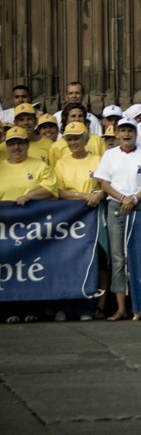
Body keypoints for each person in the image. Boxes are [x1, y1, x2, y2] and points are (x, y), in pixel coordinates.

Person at [93, 117, 141, 321]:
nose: (126, 134)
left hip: (140, 206)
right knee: (117, 259)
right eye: (122, 130)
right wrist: (122, 198)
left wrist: (133, 198)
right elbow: (104, 184)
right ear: (117, 133)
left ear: (135, 133)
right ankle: (122, 308)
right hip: (116, 206)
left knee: (140, 257)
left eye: (130, 130)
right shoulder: (110, 155)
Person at [0, 126, 59, 324]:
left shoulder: (39, 166)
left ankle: (33, 309)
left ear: (27, 145)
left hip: (33, 228)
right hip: (5, 229)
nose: (16, 147)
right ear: (7, 146)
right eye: (12, 144)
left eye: (20, 143)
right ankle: (8, 310)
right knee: (7, 268)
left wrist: (29, 196)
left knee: (32, 268)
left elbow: (51, 188)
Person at [53, 121, 107, 321]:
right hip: (69, 220)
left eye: (76, 138)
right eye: (69, 139)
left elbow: (105, 185)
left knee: (91, 261)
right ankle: (66, 308)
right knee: (67, 262)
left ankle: (86, 306)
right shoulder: (61, 163)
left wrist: (99, 194)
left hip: (93, 218)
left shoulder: (98, 159)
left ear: (86, 139)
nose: (73, 142)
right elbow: (57, 191)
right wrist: (82, 196)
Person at [48, 102, 106, 168]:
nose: (77, 119)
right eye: (73, 116)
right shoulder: (56, 147)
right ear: (66, 120)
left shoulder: (97, 140)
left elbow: (104, 165)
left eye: (80, 116)